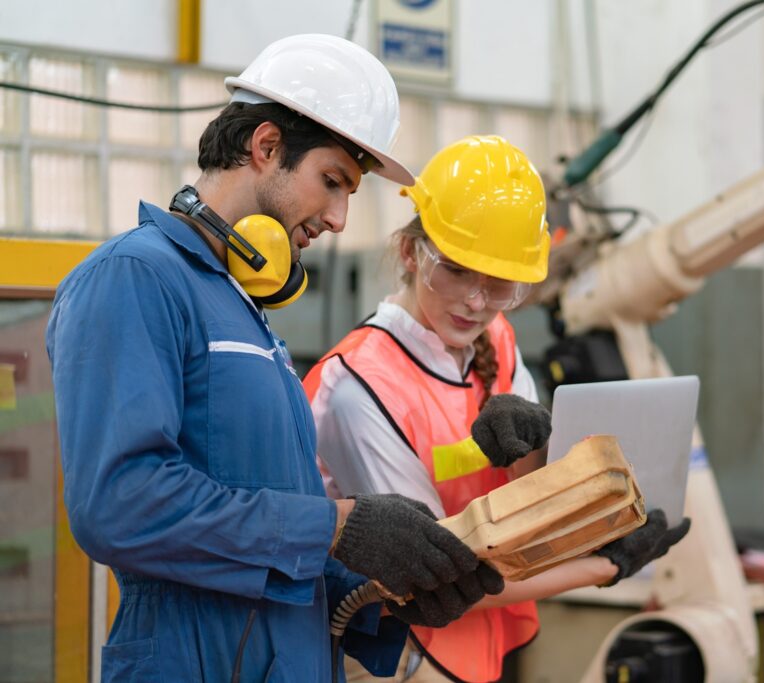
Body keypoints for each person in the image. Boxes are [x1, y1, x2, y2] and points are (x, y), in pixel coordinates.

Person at [46, 35, 503, 682]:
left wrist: (385, 590)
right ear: (266, 146)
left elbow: (274, 531)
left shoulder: (240, 307)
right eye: (332, 182)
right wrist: (338, 525)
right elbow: (120, 502)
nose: (339, 218)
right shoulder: (135, 278)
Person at [303, 135, 691, 682]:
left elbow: (528, 495)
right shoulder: (359, 387)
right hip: (390, 653)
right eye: (458, 270)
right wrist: (605, 564)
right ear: (412, 253)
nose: (476, 301)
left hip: (472, 647)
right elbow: (440, 575)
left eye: (500, 282)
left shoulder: (496, 341)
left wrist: (537, 457)